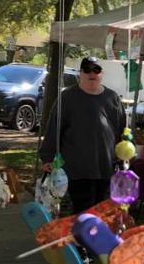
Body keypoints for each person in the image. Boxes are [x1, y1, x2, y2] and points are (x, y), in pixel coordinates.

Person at [38, 56, 126, 214]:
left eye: (96, 70)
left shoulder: (112, 98)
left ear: (102, 74)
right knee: (83, 210)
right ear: (81, 73)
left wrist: (123, 156)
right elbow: (53, 128)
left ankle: (92, 238)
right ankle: (82, 238)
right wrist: (47, 157)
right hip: (77, 168)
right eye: (87, 70)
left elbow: (121, 130)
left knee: (100, 210)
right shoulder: (67, 97)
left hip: (105, 166)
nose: (92, 73)